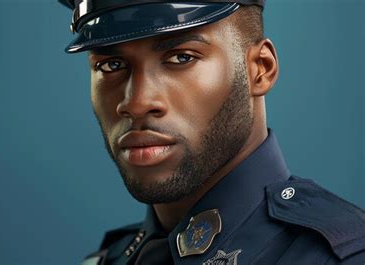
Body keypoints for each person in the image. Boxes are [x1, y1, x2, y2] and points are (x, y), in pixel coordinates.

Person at [58, 0, 365, 264]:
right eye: (111, 65)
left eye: (181, 57)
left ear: (261, 68)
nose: (137, 103)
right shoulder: (111, 256)